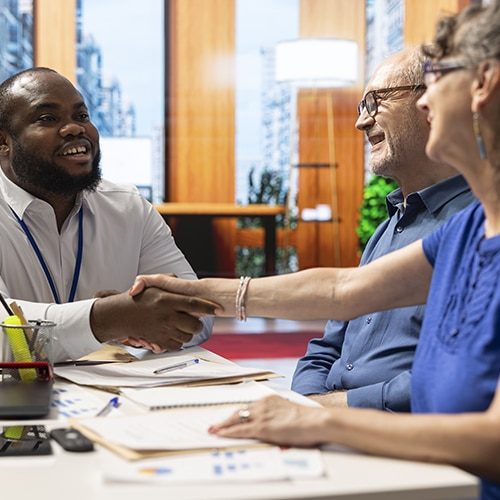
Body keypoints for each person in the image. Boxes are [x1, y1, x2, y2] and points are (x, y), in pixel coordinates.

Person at [131, 1, 500, 496]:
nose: (426, 100)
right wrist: (193, 292)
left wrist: (321, 420)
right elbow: (344, 290)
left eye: (437, 75)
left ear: (484, 84)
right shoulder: (470, 227)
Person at [292, 47, 474, 411]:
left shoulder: (475, 224)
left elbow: (453, 377)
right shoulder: (388, 227)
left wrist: (335, 410)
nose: (361, 122)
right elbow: (327, 346)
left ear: (431, 104)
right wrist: (308, 402)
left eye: (376, 102)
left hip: (401, 433)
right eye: (362, 106)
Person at [0, 67, 214, 362]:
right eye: (48, 118)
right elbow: (3, 336)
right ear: (3, 142)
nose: (75, 128)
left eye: (81, 116)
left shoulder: (128, 207)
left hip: (121, 395)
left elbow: (197, 315)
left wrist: (138, 321)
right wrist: (106, 319)